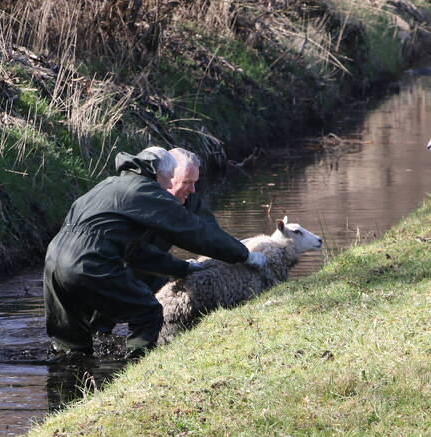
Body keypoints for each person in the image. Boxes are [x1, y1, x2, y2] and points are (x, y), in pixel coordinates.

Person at [43, 147, 266, 361]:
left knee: (71, 345)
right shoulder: (143, 190)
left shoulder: (109, 184)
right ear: (157, 173)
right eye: (169, 179)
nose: (168, 185)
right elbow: (195, 233)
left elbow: (136, 253)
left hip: (54, 261)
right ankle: (131, 372)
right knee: (147, 313)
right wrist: (244, 255)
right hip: (89, 263)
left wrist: (183, 268)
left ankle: (68, 388)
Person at [133, 147, 219, 293]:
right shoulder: (140, 202)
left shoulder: (189, 201)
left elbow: (213, 235)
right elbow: (136, 257)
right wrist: (179, 269)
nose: (193, 190)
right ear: (168, 177)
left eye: (195, 182)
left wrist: (242, 254)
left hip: (152, 273)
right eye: (187, 182)